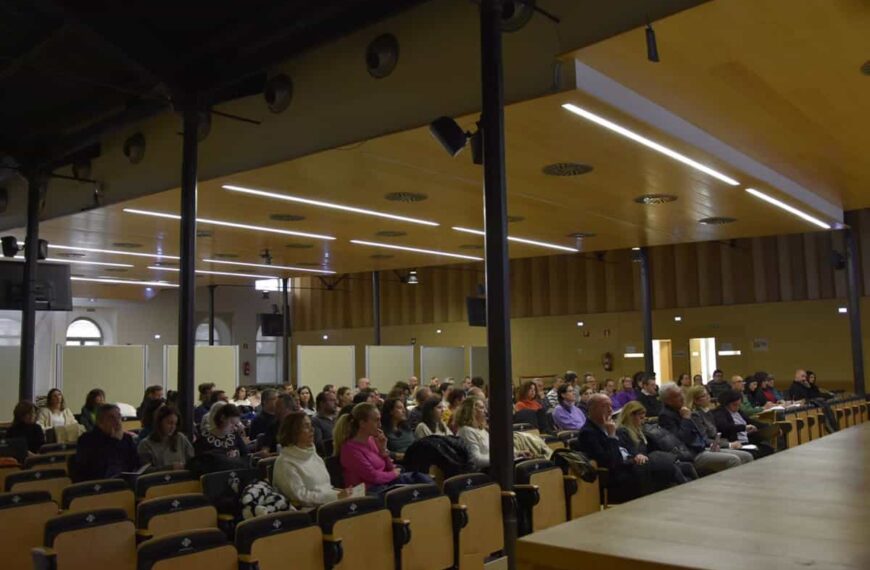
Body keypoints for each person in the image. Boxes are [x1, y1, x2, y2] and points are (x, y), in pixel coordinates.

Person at [572, 394, 654, 503]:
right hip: (614, 474)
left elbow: (625, 449)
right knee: (648, 469)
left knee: (657, 464)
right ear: (592, 409)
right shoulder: (588, 433)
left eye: (610, 406)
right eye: (605, 406)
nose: (610, 410)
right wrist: (611, 436)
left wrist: (635, 456)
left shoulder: (608, 426)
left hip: (627, 464)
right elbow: (610, 462)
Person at [334, 403, 431, 492]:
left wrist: (383, 451)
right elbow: (373, 477)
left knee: (419, 478)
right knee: (410, 493)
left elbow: (389, 468)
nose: (380, 425)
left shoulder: (371, 440)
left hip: (384, 483)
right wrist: (394, 474)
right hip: (368, 491)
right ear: (362, 423)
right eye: (376, 420)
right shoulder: (349, 449)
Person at [657, 383, 749, 475]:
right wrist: (686, 419)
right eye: (677, 396)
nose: (682, 398)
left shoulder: (682, 410)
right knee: (733, 460)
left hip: (702, 447)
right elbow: (680, 439)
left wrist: (714, 445)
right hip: (691, 454)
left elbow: (701, 435)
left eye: (681, 394)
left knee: (746, 456)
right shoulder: (666, 416)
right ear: (668, 401)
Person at [273, 412, 350, 507]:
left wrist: (340, 492)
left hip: (329, 503)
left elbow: (325, 487)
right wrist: (334, 496)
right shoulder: (285, 463)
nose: (312, 430)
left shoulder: (312, 454)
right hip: (310, 512)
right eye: (306, 426)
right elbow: (300, 497)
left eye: (311, 425)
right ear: (293, 431)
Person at [616, 401, 696, 487]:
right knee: (673, 468)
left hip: (648, 460)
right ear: (631, 416)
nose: (643, 421)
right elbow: (627, 449)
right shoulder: (622, 431)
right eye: (641, 418)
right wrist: (637, 455)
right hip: (639, 463)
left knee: (687, 466)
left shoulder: (639, 430)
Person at [684, 386, 753, 464]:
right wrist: (729, 444)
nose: (708, 397)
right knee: (734, 459)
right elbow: (704, 439)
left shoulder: (707, 412)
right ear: (695, 400)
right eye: (704, 396)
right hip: (706, 448)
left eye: (708, 394)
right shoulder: (695, 415)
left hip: (717, 445)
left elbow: (717, 434)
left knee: (747, 456)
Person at [73, 404, 140, 482]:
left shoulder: (126, 439)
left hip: (125, 482)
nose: (117, 422)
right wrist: (114, 442)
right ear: (100, 422)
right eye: (112, 418)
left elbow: (135, 462)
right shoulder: (87, 440)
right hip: (99, 484)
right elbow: (99, 467)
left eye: (119, 417)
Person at [712, 390, 774, 458]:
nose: (737, 407)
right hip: (735, 443)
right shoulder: (719, 413)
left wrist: (769, 427)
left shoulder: (738, 411)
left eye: (739, 405)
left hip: (747, 440)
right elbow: (725, 427)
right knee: (757, 453)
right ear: (726, 403)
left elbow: (751, 421)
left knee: (769, 449)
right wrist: (744, 427)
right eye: (735, 405)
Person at [138, 405, 194, 469]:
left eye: (175, 424)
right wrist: (170, 468)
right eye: (170, 423)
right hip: (159, 478)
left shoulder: (181, 438)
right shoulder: (145, 445)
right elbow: (145, 471)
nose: (173, 427)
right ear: (159, 422)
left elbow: (192, 461)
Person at [455, 396, 491, 470]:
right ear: (471, 411)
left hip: (490, 468)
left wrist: (514, 454)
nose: (485, 411)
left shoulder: (482, 430)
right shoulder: (466, 431)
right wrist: (500, 459)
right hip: (479, 473)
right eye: (481, 408)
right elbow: (476, 460)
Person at [312, 390, 338, 455]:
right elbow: (319, 444)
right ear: (322, 404)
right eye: (332, 400)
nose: (336, 403)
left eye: (335, 400)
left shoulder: (338, 418)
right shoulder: (316, 420)